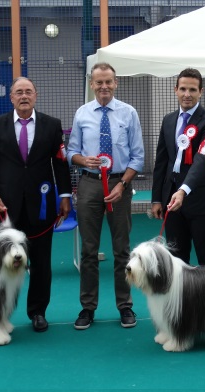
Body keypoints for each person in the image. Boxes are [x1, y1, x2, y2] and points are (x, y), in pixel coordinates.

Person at [0, 77, 72, 333]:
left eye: (28, 92)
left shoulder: (52, 126)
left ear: (36, 95)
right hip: (4, 210)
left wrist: (65, 196)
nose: (24, 96)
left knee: (41, 264)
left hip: (41, 209)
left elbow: (60, 163)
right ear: (11, 97)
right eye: (18, 92)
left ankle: (38, 313)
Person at [67, 62, 144, 330]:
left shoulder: (129, 113)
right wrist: (81, 160)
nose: (104, 87)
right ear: (91, 84)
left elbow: (139, 157)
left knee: (122, 250)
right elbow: (70, 152)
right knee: (88, 250)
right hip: (89, 184)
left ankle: (125, 306)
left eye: (108, 82)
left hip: (119, 184)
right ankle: (88, 308)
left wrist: (123, 184)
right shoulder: (82, 113)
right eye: (99, 82)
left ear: (116, 83)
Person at [151, 68, 205, 266]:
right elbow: (161, 161)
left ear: (201, 91)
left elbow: (202, 160)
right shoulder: (168, 120)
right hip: (172, 202)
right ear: (175, 90)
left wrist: (183, 190)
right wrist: (157, 198)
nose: (187, 94)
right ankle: (181, 298)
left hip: (201, 201)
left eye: (192, 90)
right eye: (182, 89)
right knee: (176, 262)